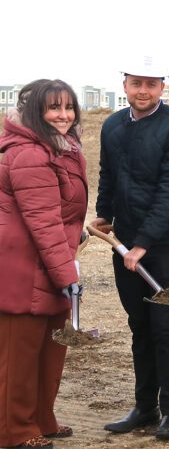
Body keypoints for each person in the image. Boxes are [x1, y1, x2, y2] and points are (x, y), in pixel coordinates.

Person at [93, 57, 169, 441]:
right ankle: (144, 407)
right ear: (125, 83)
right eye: (137, 82)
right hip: (124, 241)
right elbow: (109, 173)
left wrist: (141, 244)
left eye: (151, 84)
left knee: (165, 326)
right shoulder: (112, 126)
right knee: (139, 324)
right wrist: (104, 215)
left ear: (162, 87)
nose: (143, 91)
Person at [0, 79, 86, 449]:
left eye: (68, 107)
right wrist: (69, 275)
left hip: (50, 262)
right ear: (36, 111)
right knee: (19, 357)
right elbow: (43, 222)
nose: (63, 116)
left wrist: (79, 234)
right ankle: (15, 431)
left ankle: (41, 419)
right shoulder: (30, 153)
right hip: (24, 267)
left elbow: (61, 214)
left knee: (50, 349)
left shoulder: (60, 148)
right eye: (54, 108)